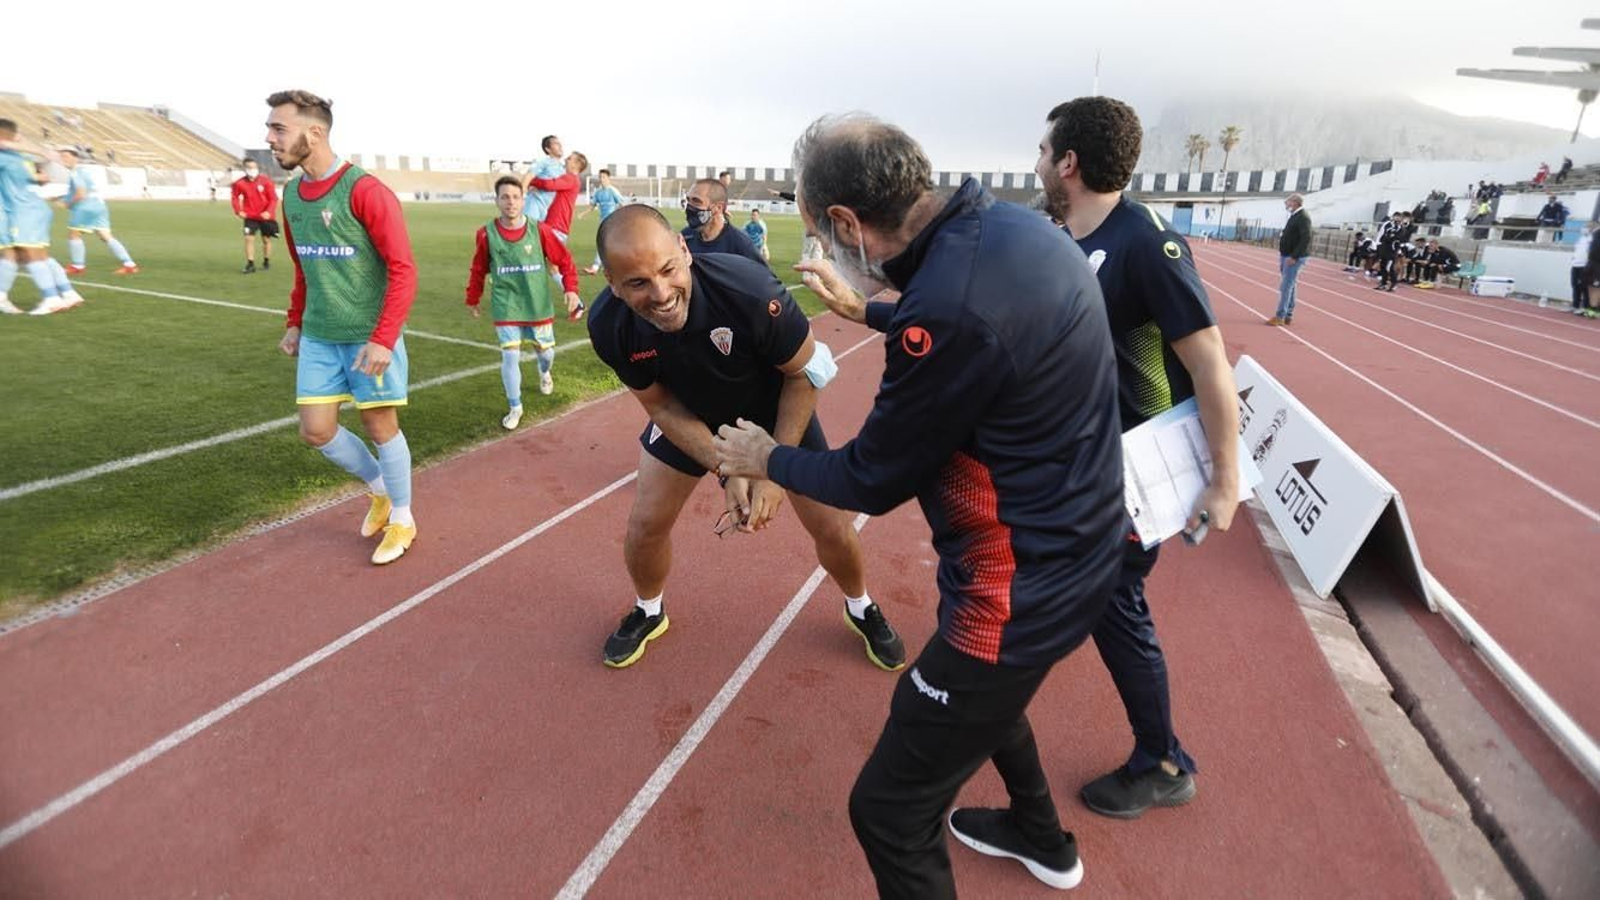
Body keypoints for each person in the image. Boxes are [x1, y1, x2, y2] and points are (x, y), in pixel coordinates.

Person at [714, 113, 1127, 897]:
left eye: (820, 233)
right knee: (986, 706)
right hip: (1082, 543)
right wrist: (863, 310)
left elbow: (869, 478)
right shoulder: (1009, 229)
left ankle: (1039, 834)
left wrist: (766, 456)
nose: (828, 251)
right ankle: (1042, 837)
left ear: (844, 220)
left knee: (889, 811)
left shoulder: (947, 309)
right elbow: (973, 322)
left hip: (1018, 588)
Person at [586, 204, 906, 673]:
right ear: (612, 284)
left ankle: (860, 606)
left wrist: (772, 471)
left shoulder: (750, 291)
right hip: (689, 412)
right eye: (636, 283)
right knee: (645, 523)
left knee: (832, 526)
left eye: (667, 269)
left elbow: (805, 375)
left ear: (684, 250)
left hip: (775, 409)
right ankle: (648, 610)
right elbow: (660, 406)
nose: (660, 293)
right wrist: (728, 467)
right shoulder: (609, 325)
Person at [1035, 96, 1240, 820]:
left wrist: (1227, 480)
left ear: (1069, 162)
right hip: (1082, 464)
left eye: (1043, 149)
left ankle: (1163, 761)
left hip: (1136, 470)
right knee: (1074, 585)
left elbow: (1210, 362)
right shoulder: (1064, 234)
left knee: (1115, 602)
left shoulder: (1146, 243)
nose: (1036, 161)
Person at [266, 89, 419, 566]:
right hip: (318, 336)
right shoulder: (291, 193)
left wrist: (383, 338)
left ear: (313, 133)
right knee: (316, 430)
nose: (269, 138)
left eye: (278, 129)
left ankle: (404, 518)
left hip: (368, 337)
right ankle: (380, 491)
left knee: (379, 424)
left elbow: (403, 269)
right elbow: (303, 267)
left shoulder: (365, 191)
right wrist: (295, 322)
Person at [463, 176, 583, 428]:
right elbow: (478, 269)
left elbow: (565, 261)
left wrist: (571, 290)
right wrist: (473, 298)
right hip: (506, 304)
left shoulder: (539, 230)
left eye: (515, 197)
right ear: (496, 201)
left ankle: (544, 371)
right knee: (509, 357)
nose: (510, 202)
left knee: (547, 353)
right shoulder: (486, 234)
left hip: (537, 304)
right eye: (505, 197)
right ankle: (515, 407)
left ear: (523, 199)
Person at [0, 119, 85, 316]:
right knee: (33, 255)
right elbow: (39, 174)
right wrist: (40, 153)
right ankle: (68, 293)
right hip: (34, 208)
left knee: (26, 255)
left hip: (22, 210)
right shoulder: (20, 155)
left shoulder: (5, 157)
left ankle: (51, 299)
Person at [57, 147, 138, 275]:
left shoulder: (76, 173)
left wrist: (67, 204)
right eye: (61, 157)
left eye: (65, 156)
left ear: (75, 158)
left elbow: (81, 194)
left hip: (86, 207)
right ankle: (129, 264)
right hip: (99, 205)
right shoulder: (84, 171)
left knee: (74, 235)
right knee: (105, 235)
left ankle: (77, 266)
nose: (62, 159)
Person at [681, 177, 763, 264]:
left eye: (696, 201)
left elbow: (763, 276)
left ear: (718, 208)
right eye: (688, 200)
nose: (689, 207)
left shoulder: (740, 245)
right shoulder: (685, 237)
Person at [528, 151, 588, 243]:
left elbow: (549, 185)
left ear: (576, 165)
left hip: (556, 227)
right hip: (555, 228)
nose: (565, 160)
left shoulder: (570, 178)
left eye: (569, 159)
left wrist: (531, 179)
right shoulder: (572, 180)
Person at [232, 157, 279, 274]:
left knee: (266, 240)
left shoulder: (266, 181)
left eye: (254, 167)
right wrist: (238, 210)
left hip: (266, 216)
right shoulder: (239, 183)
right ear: (245, 169)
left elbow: (273, 198)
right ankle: (250, 264)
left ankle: (266, 261)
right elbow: (235, 198)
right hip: (250, 216)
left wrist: (269, 211)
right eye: (249, 167)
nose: (252, 169)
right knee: (248, 238)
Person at [1270, 192, 1310, 325]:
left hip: (1293, 257)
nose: (1286, 205)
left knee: (1286, 286)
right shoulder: (1294, 216)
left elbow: (1306, 238)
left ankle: (1280, 316)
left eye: (1288, 202)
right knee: (1290, 285)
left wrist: (1294, 256)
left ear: (1295, 202)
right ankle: (1288, 314)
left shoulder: (1303, 217)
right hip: (1286, 255)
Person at [582, 168, 625, 274]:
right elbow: (592, 206)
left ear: (608, 178)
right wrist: (583, 213)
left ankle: (595, 267)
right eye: (600, 177)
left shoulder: (612, 191)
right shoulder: (598, 192)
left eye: (604, 177)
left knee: (603, 243)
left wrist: (621, 218)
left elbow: (622, 204)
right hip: (603, 221)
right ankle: (610, 265)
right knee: (608, 244)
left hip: (612, 222)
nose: (601, 179)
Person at [525, 135, 564, 224]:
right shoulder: (543, 162)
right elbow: (528, 176)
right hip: (534, 208)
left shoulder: (562, 168)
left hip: (550, 212)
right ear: (548, 149)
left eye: (560, 143)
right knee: (529, 235)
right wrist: (521, 196)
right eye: (556, 144)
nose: (560, 146)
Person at [1570, 223, 1595, 312]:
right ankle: (1575, 305)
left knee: (1584, 287)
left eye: (1587, 227)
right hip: (1575, 265)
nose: (1584, 229)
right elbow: (1576, 250)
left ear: (1592, 229)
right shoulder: (1581, 239)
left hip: (1584, 266)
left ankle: (1585, 307)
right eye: (1584, 227)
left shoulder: (1592, 239)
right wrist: (1573, 258)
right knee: (1575, 285)